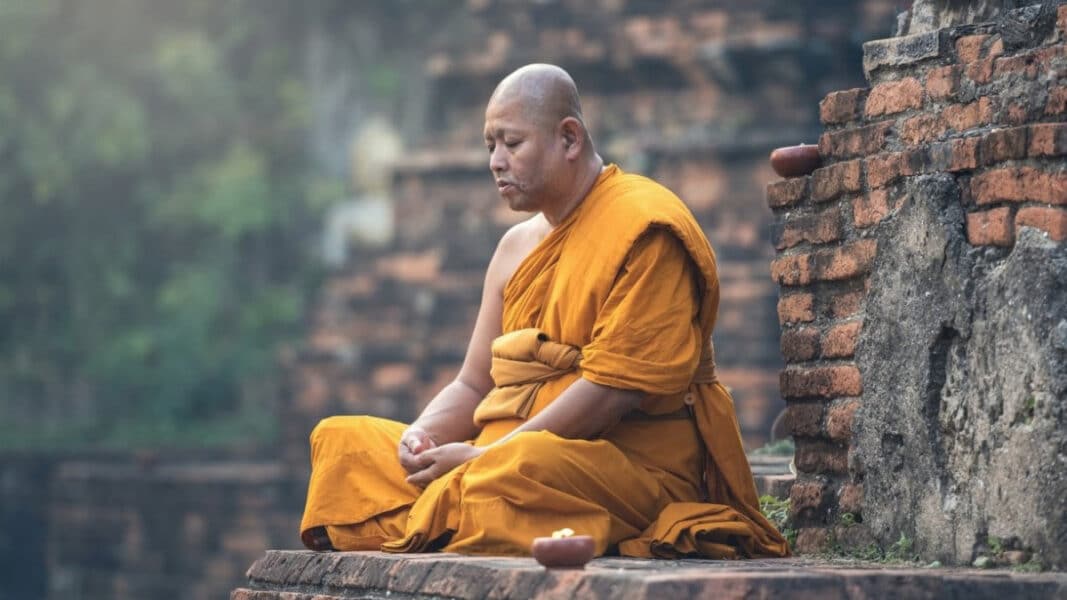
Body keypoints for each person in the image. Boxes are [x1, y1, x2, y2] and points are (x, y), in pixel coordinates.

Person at [299, 64, 789, 559]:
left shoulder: (645, 228)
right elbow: (473, 384)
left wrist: (486, 456)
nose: (495, 161)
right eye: (490, 145)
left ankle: (442, 508)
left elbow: (611, 392)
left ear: (569, 139)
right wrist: (421, 438)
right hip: (499, 455)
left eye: (512, 144)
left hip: (616, 465)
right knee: (342, 442)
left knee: (518, 471)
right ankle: (449, 505)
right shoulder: (515, 247)